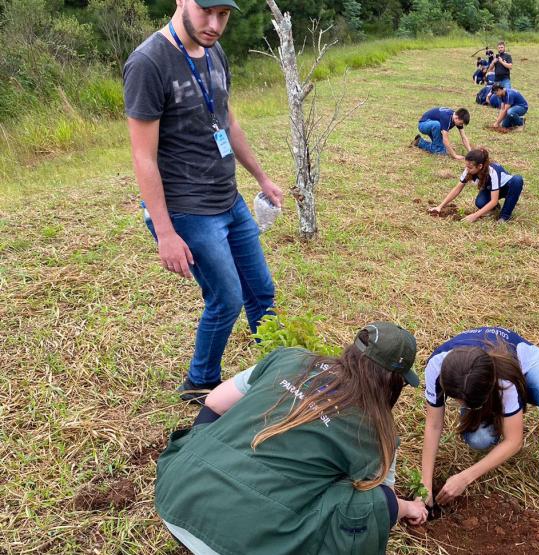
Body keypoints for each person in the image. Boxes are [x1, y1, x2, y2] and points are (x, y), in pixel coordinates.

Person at [124, 0, 283, 404]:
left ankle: (276, 371)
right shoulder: (148, 63)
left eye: (223, 15)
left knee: (261, 291)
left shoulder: (214, 50)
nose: (214, 25)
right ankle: (200, 382)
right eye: (205, 11)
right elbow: (143, 157)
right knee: (226, 298)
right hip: (187, 209)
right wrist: (165, 233)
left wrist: (261, 177)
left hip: (228, 198)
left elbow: (228, 121)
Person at [155, 322, 429, 555]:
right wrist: (409, 507)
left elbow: (214, 402)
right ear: (394, 382)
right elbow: (382, 506)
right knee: (372, 499)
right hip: (243, 543)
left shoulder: (289, 358)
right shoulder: (378, 431)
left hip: (176, 495)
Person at [419, 327, 539, 510]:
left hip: (529, 368)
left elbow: (514, 441)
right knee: (479, 438)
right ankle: (502, 417)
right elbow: (433, 424)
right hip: (481, 380)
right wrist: (425, 484)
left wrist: (465, 477)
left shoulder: (504, 377)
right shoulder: (436, 367)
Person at [428, 148, 523, 223]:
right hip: (491, 189)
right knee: (480, 203)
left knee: (517, 180)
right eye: (466, 166)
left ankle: (504, 216)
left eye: (470, 167)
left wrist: (474, 216)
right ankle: (494, 208)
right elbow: (457, 189)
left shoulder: (492, 172)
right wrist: (440, 206)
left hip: (506, 188)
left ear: (480, 166)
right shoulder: (468, 170)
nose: (467, 169)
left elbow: (493, 201)